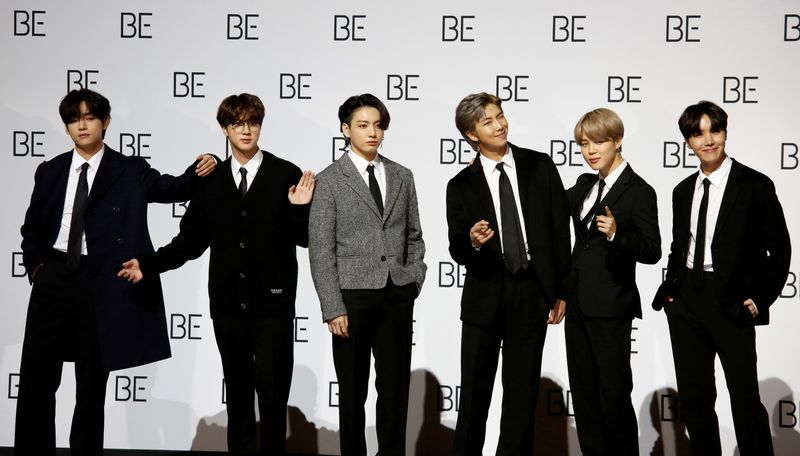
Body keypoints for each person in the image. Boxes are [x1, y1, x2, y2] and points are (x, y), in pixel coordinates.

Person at [16, 88, 216, 455]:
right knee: (35, 381)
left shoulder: (130, 170)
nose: (82, 124)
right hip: (54, 278)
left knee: (91, 383)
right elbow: (31, 228)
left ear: (105, 122)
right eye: (74, 119)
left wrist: (206, 164)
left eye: (90, 117)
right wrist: (36, 268)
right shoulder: (50, 171)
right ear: (66, 127)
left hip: (102, 283)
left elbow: (175, 187)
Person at [117, 93, 314, 455]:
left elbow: (303, 239)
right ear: (224, 128)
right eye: (237, 123)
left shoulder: (285, 172)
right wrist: (148, 264)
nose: (246, 130)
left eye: (253, 122)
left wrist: (301, 210)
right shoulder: (210, 180)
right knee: (238, 393)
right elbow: (189, 241)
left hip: (273, 304)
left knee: (273, 397)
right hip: (227, 304)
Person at [652, 100, 791, 455]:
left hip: (733, 301)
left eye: (714, 130)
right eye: (698, 134)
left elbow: (780, 252)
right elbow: (678, 245)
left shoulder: (755, 185)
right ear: (688, 142)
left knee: (744, 400)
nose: (708, 140)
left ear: (725, 132)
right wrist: (672, 293)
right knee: (696, 401)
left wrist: (758, 299)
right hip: (687, 303)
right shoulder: (683, 190)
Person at [445, 92, 570, 455]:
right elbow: (457, 247)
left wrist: (561, 289)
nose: (499, 125)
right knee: (474, 396)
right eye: (487, 121)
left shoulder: (539, 165)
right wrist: (474, 241)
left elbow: (559, 231)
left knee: (521, 397)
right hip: (485, 294)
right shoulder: (460, 184)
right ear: (471, 134)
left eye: (500, 116)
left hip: (532, 292)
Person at [308, 93, 426, 456]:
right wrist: (332, 306)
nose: (372, 132)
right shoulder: (329, 180)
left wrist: (413, 278)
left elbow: (414, 236)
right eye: (362, 125)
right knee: (353, 391)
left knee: (393, 390)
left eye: (378, 125)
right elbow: (321, 248)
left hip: (396, 294)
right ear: (345, 129)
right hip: (351, 298)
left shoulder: (402, 175)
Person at [561, 108, 661, 455]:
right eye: (584, 143)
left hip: (612, 305)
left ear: (617, 141)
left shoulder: (639, 191)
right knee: (585, 399)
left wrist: (619, 234)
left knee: (613, 396)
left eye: (599, 142)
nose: (590, 150)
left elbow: (652, 250)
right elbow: (544, 203)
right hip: (577, 305)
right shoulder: (583, 187)